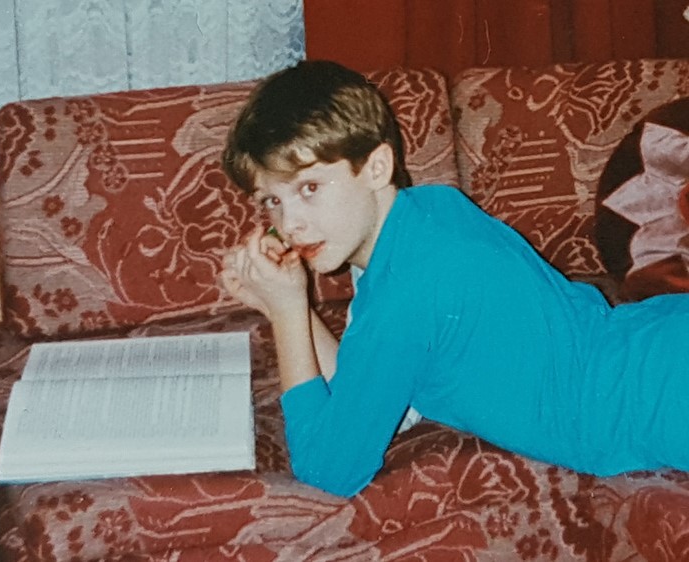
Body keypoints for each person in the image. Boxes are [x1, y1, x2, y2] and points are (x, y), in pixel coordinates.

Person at [217, 59, 689, 498]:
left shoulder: (405, 293)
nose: (290, 223)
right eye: (272, 201)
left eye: (309, 188)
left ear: (377, 167)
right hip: (654, 340)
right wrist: (291, 305)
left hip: (659, 397)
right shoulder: (430, 211)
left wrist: (285, 314)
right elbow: (364, 394)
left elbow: (329, 471)